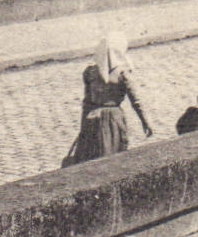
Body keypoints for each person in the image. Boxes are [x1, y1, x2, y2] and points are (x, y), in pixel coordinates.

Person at [61, 32, 152, 167]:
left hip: (93, 119)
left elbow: (86, 102)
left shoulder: (90, 72)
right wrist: (146, 122)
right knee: (112, 155)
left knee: (91, 156)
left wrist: (83, 127)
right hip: (113, 119)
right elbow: (136, 101)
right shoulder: (122, 74)